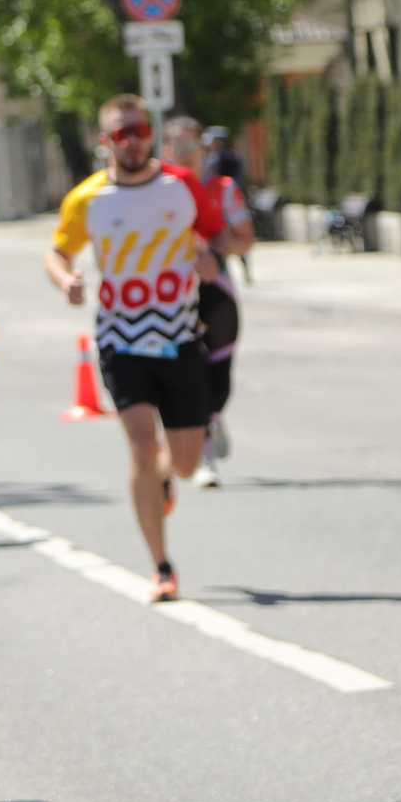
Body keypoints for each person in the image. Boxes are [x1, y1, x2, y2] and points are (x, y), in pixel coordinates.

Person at [45, 95, 226, 603]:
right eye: (121, 133)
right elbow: (57, 252)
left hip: (180, 338)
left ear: (151, 134)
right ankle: (162, 568)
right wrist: (66, 280)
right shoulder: (88, 198)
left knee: (184, 463)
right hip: (120, 340)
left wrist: (211, 261)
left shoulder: (181, 185)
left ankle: (166, 477)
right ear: (105, 141)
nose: (132, 141)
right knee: (143, 446)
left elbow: (218, 237)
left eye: (139, 131)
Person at [162, 116, 254, 488]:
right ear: (166, 150)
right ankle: (204, 451)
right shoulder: (158, 190)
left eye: (192, 145)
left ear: (203, 148)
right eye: (177, 145)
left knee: (219, 369)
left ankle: (213, 420)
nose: (186, 153)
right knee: (190, 371)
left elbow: (244, 239)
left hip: (216, 289)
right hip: (170, 295)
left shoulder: (223, 188)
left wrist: (214, 251)